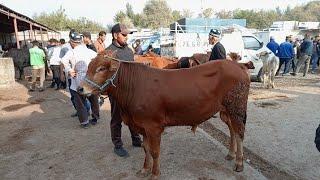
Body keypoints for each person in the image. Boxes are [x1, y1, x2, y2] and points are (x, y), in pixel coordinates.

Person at [106, 23, 142, 157]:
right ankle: (117, 145)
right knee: (117, 118)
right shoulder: (109, 52)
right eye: (124, 35)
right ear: (115, 35)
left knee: (132, 116)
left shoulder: (128, 50)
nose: (127, 37)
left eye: (128, 35)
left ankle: (136, 139)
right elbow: (106, 75)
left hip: (131, 91)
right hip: (116, 92)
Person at [61, 31, 99, 128]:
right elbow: (99, 60)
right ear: (80, 41)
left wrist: (69, 70)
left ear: (72, 42)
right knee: (93, 100)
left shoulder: (71, 52)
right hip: (90, 80)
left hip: (77, 80)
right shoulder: (90, 52)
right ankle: (95, 118)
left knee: (80, 103)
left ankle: (85, 122)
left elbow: (63, 60)